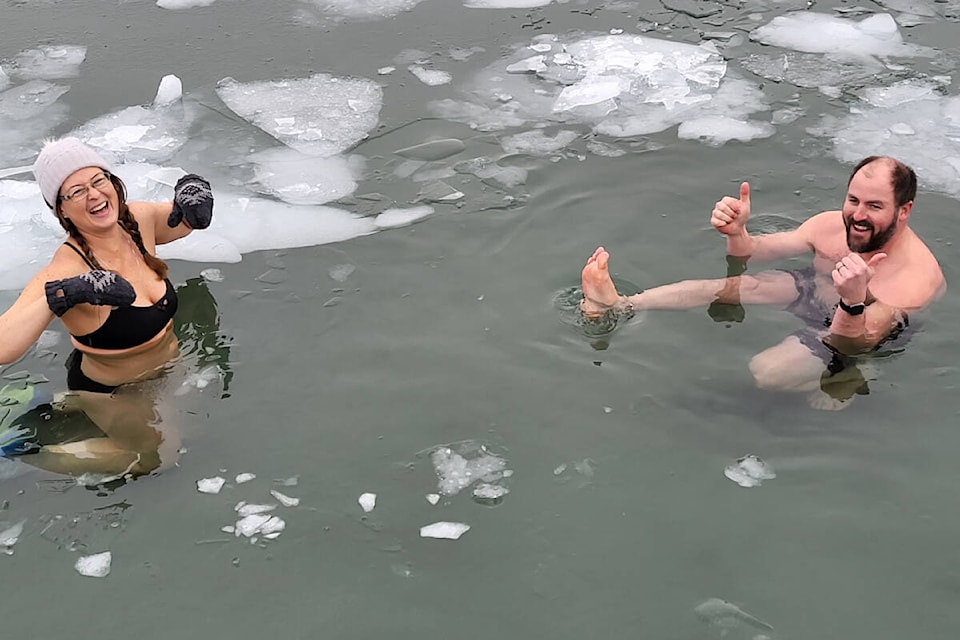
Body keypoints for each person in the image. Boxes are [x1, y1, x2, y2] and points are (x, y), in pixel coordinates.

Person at [580, 156, 945, 406]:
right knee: (740, 286)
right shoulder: (832, 224)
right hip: (823, 291)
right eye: (853, 200)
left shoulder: (914, 278)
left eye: (875, 206)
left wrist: (853, 301)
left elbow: (853, 343)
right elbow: (749, 254)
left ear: (904, 210)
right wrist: (737, 232)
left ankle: (850, 380)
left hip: (858, 330)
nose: (858, 216)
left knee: (766, 372)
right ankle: (622, 303)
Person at [0, 137, 215, 475]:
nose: (95, 195)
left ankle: (60, 407)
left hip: (166, 368)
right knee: (156, 459)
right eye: (76, 192)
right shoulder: (68, 268)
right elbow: (3, 346)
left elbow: (181, 220)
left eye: (98, 181)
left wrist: (194, 193)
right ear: (62, 210)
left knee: (202, 433)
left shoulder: (137, 222)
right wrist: (67, 293)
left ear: (113, 183)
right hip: (114, 391)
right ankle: (25, 448)